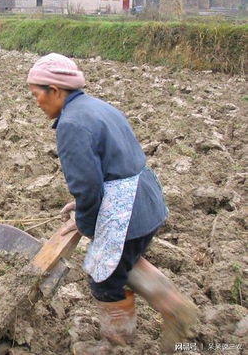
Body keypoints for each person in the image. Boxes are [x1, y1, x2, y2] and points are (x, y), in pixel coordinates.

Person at [27, 53, 197, 351]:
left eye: (36, 94)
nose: (36, 102)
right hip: (147, 200)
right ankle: (177, 309)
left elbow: (88, 187)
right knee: (123, 263)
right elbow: (111, 166)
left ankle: (118, 344)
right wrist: (83, 208)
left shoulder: (72, 125)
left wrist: (85, 221)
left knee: (103, 278)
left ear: (54, 90)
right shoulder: (97, 106)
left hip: (126, 210)